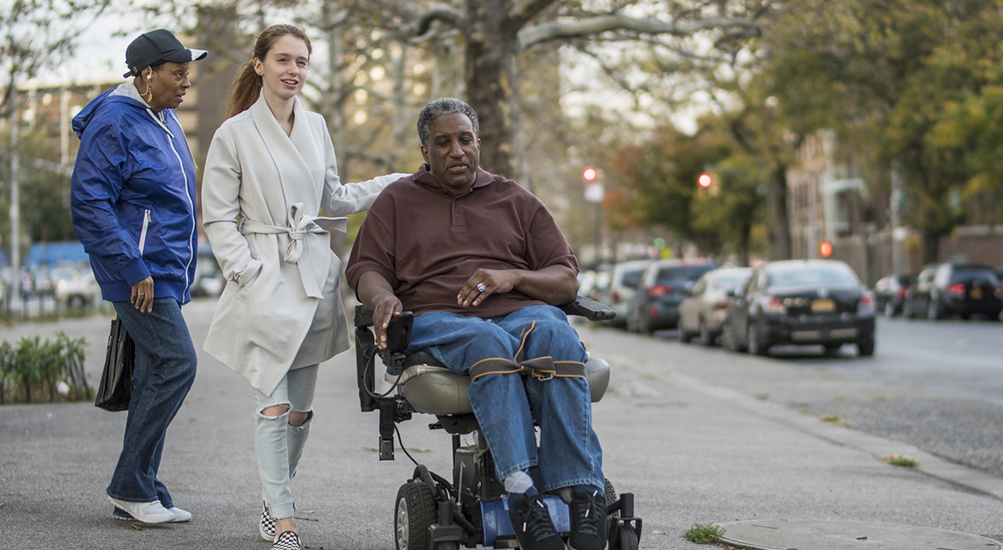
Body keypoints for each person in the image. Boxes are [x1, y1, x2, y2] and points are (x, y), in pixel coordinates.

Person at [346, 97, 608, 550]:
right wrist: (382, 295)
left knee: (556, 332)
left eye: (465, 140)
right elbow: (365, 268)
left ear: (478, 143)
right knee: (485, 339)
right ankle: (522, 491)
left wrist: (513, 276)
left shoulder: (515, 199)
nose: (456, 151)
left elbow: (565, 279)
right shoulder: (397, 202)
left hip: (517, 312)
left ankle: (583, 493)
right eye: (442, 143)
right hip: (435, 318)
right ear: (425, 151)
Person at [200, 24, 405, 550]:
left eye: (303, 62)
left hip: (313, 277)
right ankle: (285, 520)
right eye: (284, 60)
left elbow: (332, 198)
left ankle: (273, 500)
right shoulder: (234, 134)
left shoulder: (315, 125)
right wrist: (246, 272)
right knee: (271, 402)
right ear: (260, 64)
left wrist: (397, 182)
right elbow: (218, 218)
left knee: (299, 410)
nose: (294, 70)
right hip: (264, 276)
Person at [70, 29, 207, 524]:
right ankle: (131, 485)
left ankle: (141, 488)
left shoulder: (161, 116)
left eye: (188, 72)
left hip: (162, 269)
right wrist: (132, 267)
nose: (186, 81)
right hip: (137, 272)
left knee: (155, 371)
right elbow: (89, 203)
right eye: (177, 72)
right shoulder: (115, 122)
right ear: (146, 74)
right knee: (177, 362)